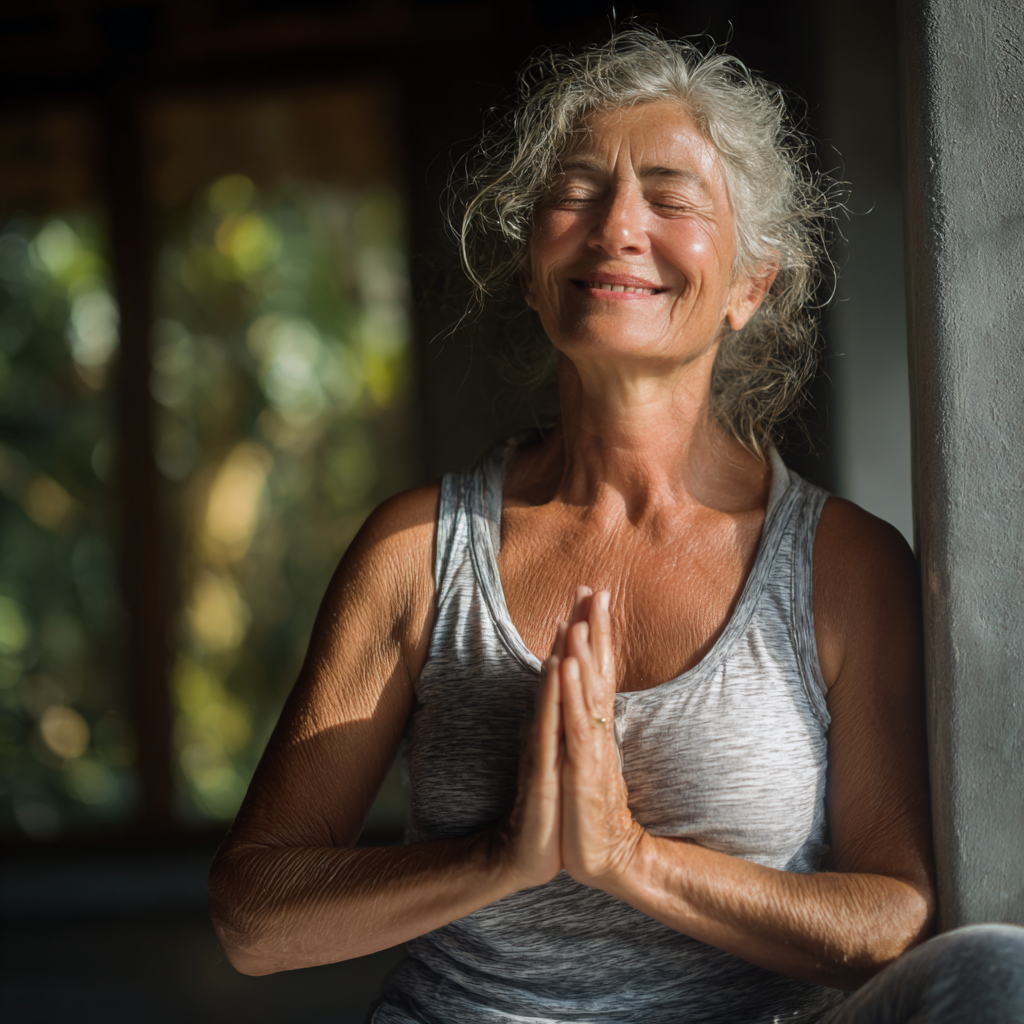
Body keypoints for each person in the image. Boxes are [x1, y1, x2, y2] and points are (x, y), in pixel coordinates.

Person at [208, 29, 1024, 1023]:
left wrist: (629, 857)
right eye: (577, 188)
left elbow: (891, 918)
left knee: (994, 974)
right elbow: (254, 921)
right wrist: (500, 856)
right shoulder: (417, 552)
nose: (615, 226)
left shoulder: (841, 566)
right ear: (528, 259)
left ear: (749, 283)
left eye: (672, 197)